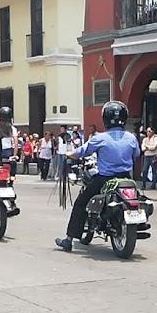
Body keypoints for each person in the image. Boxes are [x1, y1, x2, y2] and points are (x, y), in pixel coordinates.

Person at [54, 102, 140, 251]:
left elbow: (80, 152)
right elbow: (136, 155)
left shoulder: (100, 138)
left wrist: (68, 154)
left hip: (105, 179)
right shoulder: (131, 138)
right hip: (126, 179)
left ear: (105, 119)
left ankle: (68, 240)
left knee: (81, 203)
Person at [0, 107, 19, 177]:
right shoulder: (12, 129)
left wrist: (14, 155)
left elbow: (16, 144)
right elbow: (15, 144)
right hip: (6, 152)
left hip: (1, 152)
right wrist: (14, 156)